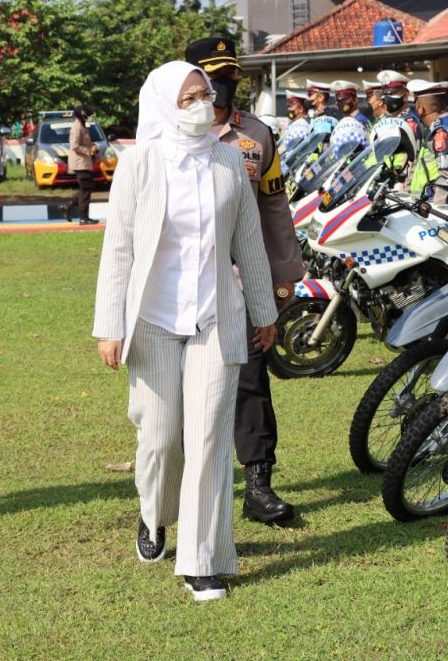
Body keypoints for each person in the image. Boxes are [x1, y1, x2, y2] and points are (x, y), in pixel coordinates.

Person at [93, 60, 278, 601]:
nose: (203, 102)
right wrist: (110, 325)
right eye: (190, 96)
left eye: (206, 93)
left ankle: (203, 560)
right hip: (150, 320)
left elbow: (248, 240)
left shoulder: (227, 160)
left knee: (208, 438)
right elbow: (119, 248)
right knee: (160, 435)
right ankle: (154, 516)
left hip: (214, 320)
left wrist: (262, 311)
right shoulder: (139, 164)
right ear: (162, 104)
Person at [185, 37, 306, 524]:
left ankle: (258, 484)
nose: (223, 85)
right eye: (213, 76)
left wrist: (283, 279)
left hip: (242, 279)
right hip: (185, 285)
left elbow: (274, 208)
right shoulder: (169, 136)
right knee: (176, 392)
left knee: (252, 378)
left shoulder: (256, 136)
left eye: (230, 75)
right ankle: (168, 496)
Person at [406, 79, 448, 204]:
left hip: (435, 206)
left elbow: (447, 177)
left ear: (420, 109)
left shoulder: (441, 131)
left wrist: (439, 208)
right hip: (428, 203)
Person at [64, 104, 98, 225]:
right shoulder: (76, 127)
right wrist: (89, 150)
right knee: (86, 188)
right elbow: (75, 146)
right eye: (89, 115)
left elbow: (84, 142)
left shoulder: (82, 125)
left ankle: (67, 206)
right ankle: (83, 217)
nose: (91, 117)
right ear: (83, 114)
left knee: (86, 188)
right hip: (80, 163)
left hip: (84, 162)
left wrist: (92, 147)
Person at [376, 69, 424, 142]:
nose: (387, 98)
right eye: (385, 94)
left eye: (392, 93)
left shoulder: (410, 123)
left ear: (405, 95)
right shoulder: (385, 121)